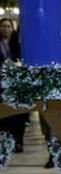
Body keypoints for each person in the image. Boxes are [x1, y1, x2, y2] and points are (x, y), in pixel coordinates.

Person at [0, 19, 25, 152]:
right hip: (1, 83)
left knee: (18, 113)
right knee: (4, 113)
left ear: (12, 28)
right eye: (3, 26)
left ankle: (18, 140)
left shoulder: (18, 43)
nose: (5, 29)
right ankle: (5, 142)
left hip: (16, 83)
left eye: (8, 26)